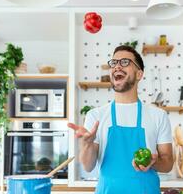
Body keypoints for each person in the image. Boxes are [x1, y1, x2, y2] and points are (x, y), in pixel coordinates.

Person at [68, 45, 173, 194]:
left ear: (139, 74)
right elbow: (88, 166)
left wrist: (153, 162)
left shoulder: (158, 116)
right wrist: (87, 144)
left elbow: (168, 163)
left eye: (124, 62)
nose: (117, 66)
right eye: (114, 62)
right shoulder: (95, 115)